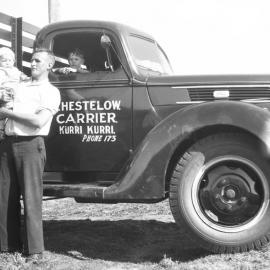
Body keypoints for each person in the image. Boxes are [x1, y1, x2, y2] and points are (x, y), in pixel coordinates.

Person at [0, 48, 61, 263]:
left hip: (31, 145)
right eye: (31, 60)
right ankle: (7, 246)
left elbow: (38, 121)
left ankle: (34, 251)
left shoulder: (51, 91)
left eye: (37, 61)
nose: (33, 64)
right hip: (8, 144)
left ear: (49, 65)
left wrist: (6, 113)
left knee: (31, 198)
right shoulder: (19, 86)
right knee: (5, 196)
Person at [0, 47, 29, 139]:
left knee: (15, 111)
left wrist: (25, 78)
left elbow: (22, 76)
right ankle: (1, 130)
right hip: (6, 92)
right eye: (4, 61)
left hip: (16, 95)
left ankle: (12, 130)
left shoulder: (15, 70)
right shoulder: (1, 71)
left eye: (10, 60)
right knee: (5, 111)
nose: (8, 63)